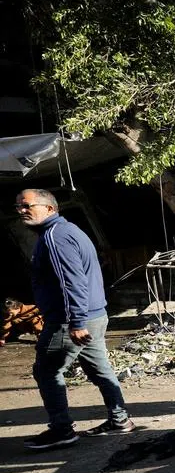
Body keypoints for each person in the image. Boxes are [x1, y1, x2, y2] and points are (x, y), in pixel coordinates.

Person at [17, 188, 134, 449]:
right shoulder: (66, 231)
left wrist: (76, 322)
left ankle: (61, 430)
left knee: (46, 371)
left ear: (49, 208)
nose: (22, 211)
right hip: (94, 315)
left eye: (27, 205)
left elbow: (73, 283)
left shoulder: (55, 237)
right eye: (19, 207)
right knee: (99, 369)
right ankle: (120, 420)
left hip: (69, 321)